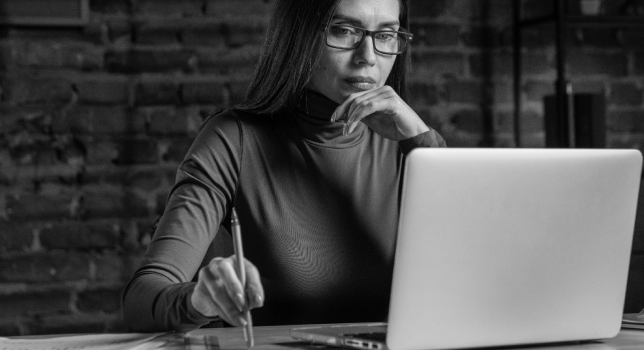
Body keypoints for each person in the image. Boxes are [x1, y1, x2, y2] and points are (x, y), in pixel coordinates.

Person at [119, 0, 445, 333]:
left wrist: (423, 142)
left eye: (387, 35)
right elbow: (141, 302)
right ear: (300, 36)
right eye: (344, 30)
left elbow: (473, 282)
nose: (369, 56)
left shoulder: (412, 147)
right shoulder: (234, 140)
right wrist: (198, 299)